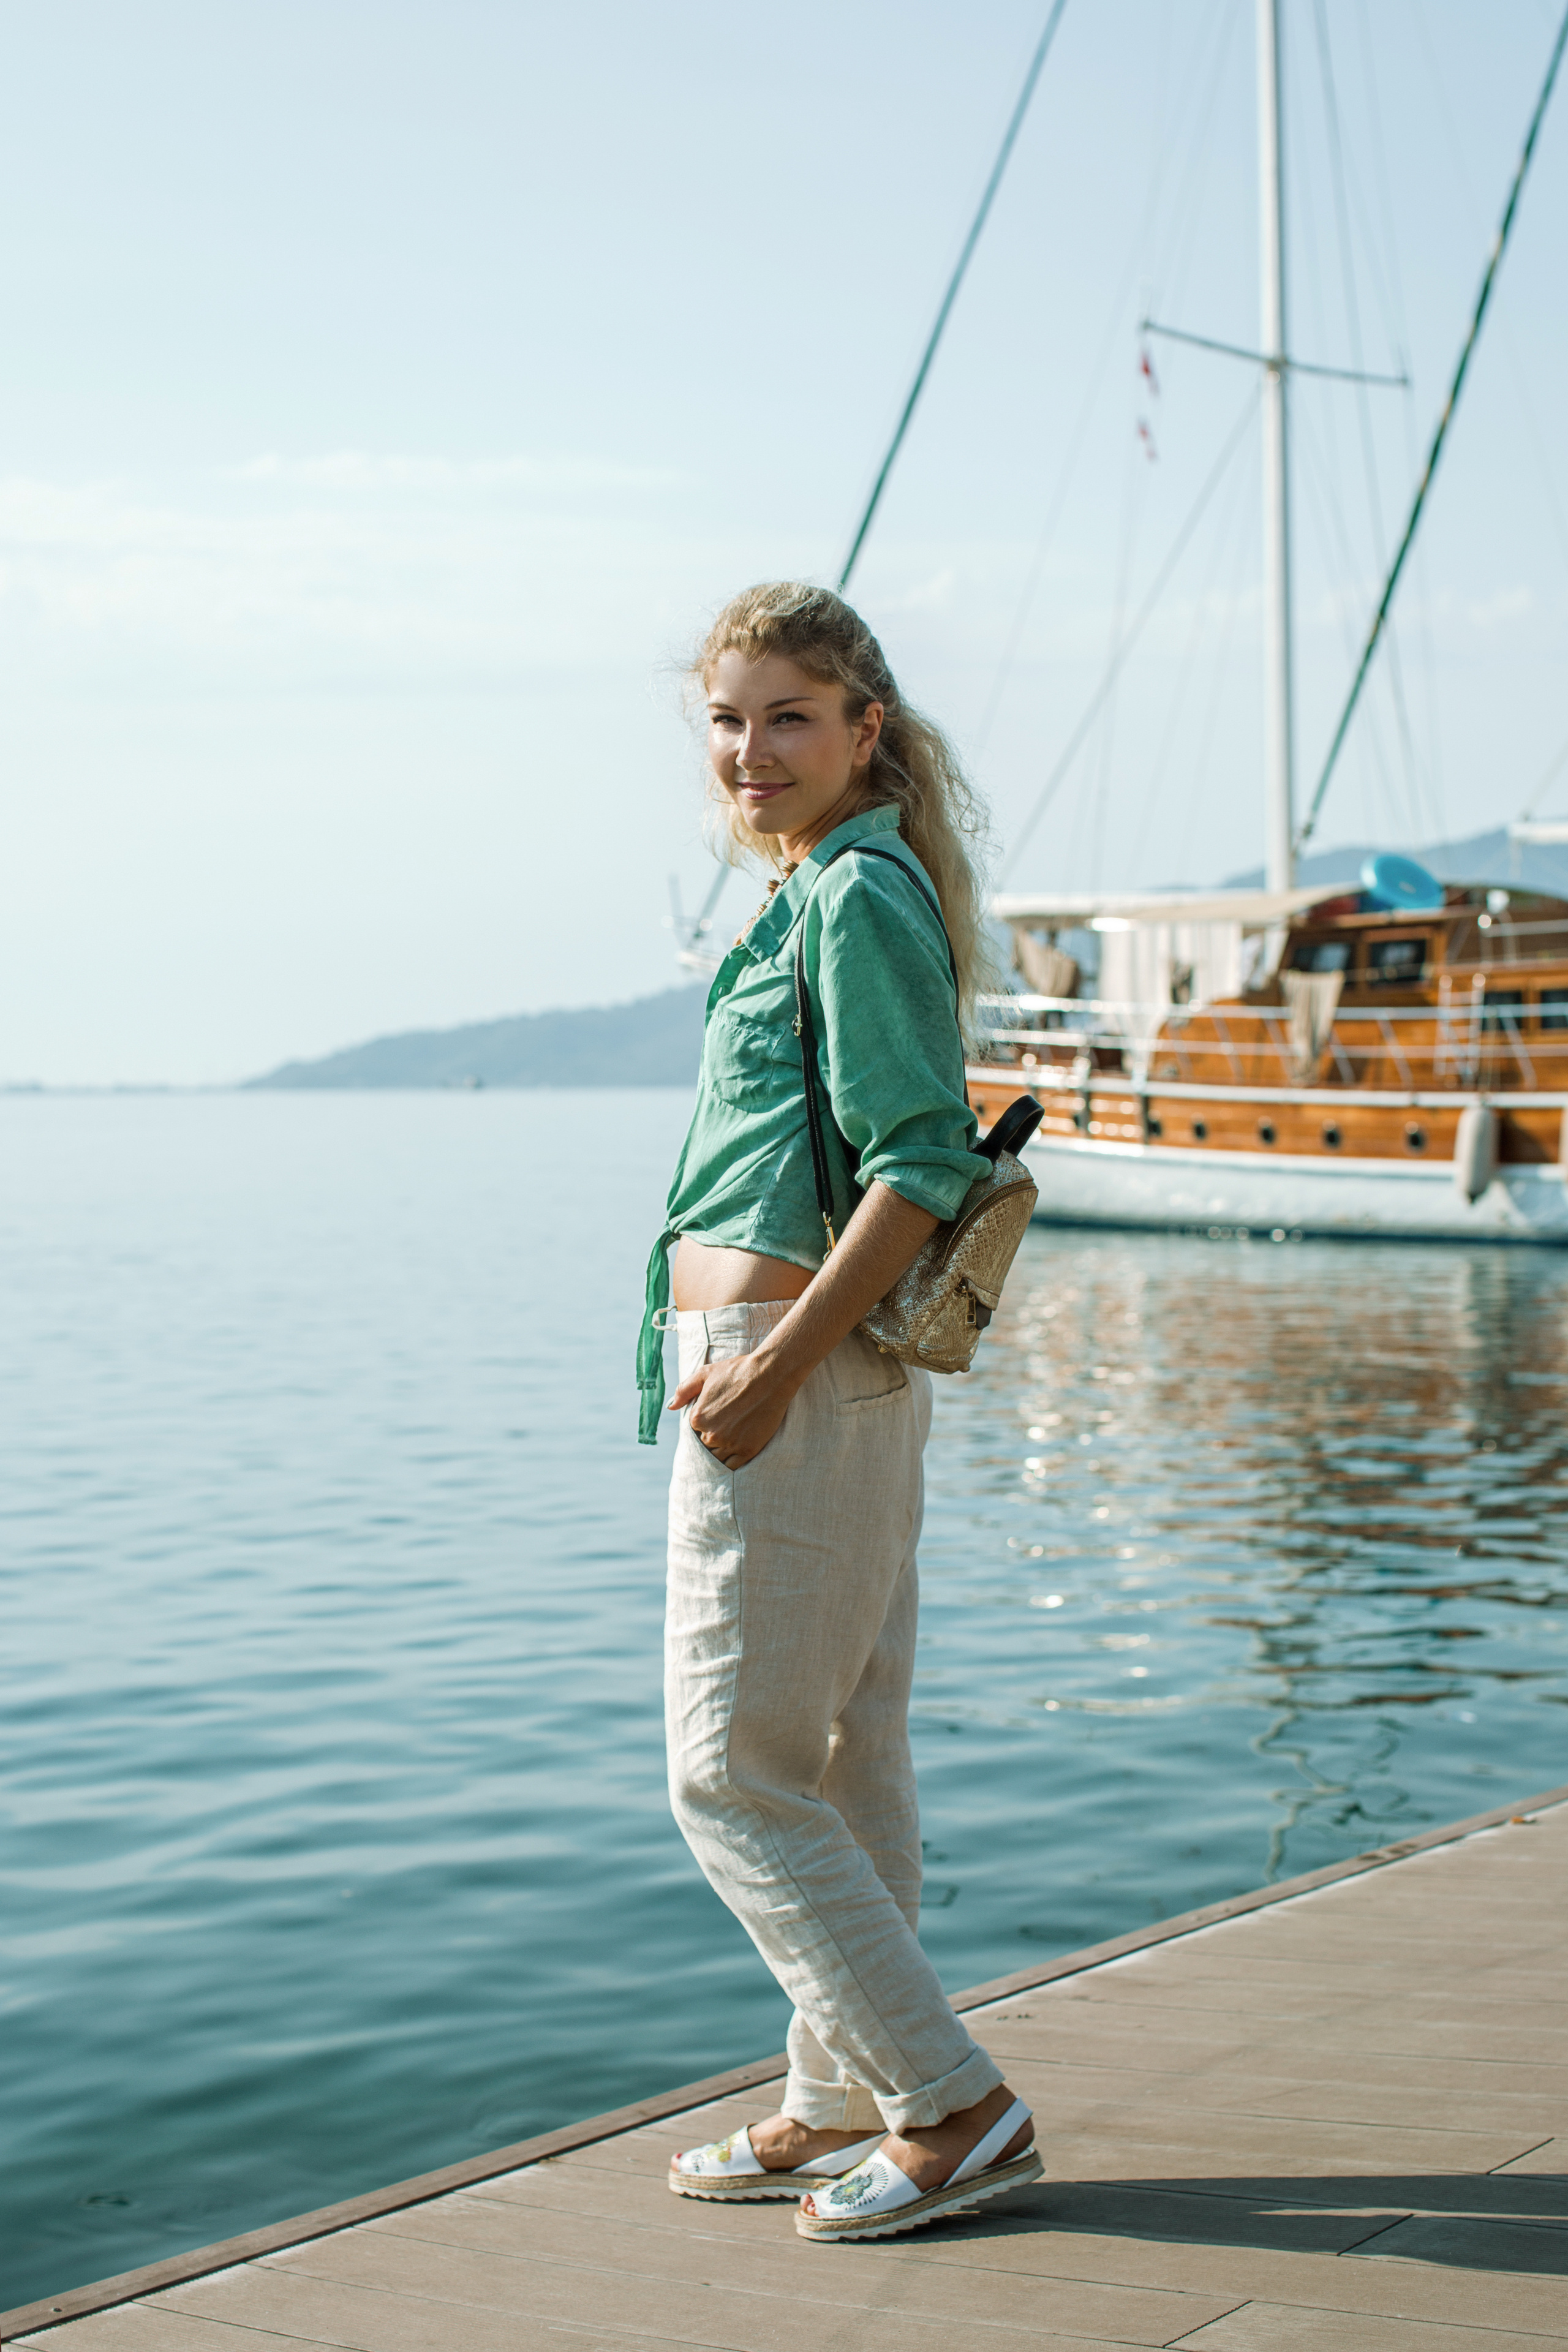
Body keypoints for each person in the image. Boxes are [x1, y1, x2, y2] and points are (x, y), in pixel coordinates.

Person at [636, 581, 1041, 2242]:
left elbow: (920, 1162)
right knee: (845, 1757)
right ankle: (836, 2093)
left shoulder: (854, 892)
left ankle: (952, 2105)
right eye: (727, 719)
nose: (750, 751)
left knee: (729, 1774)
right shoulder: (835, 882)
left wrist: (772, 1368)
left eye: (788, 715)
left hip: (788, 1379)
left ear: (864, 726)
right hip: (821, 1378)